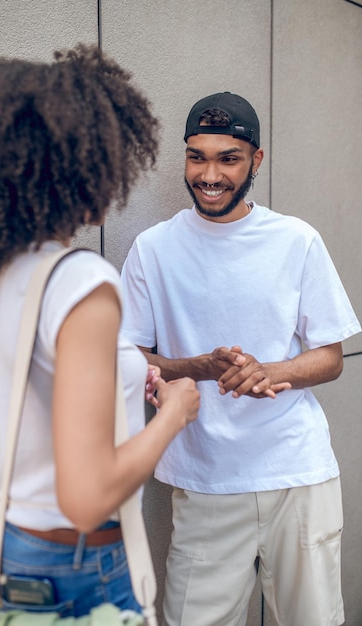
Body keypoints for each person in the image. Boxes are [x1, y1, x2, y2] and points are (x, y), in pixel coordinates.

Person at [0, 44, 200, 619]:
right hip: (76, 571)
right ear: (78, 164)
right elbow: (85, 501)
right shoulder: (83, 281)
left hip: (2, 543)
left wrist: (119, 393)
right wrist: (176, 413)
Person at [120, 91, 361, 626]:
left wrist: (271, 370)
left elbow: (330, 357)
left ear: (255, 160)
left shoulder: (296, 240)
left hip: (297, 475)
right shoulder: (153, 248)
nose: (209, 174)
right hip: (204, 480)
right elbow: (128, 356)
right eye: (196, 156)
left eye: (227, 158)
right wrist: (196, 367)